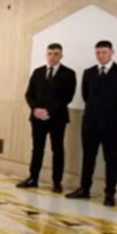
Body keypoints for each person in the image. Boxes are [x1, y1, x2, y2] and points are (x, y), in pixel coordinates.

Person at [18, 43, 76, 193]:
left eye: (56, 54)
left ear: (61, 56)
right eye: (50, 53)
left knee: (57, 149)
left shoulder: (69, 74)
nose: (52, 57)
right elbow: (29, 94)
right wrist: (35, 109)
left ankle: (57, 182)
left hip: (57, 118)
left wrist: (48, 111)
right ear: (46, 55)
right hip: (37, 118)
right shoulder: (38, 72)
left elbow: (67, 97)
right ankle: (33, 178)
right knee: (37, 148)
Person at [67, 40, 117, 206]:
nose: (100, 56)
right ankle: (84, 188)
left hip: (113, 125)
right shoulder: (89, 73)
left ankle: (109, 193)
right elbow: (85, 96)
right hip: (90, 122)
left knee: (112, 160)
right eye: (98, 53)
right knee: (88, 157)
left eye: (104, 52)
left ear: (112, 53)